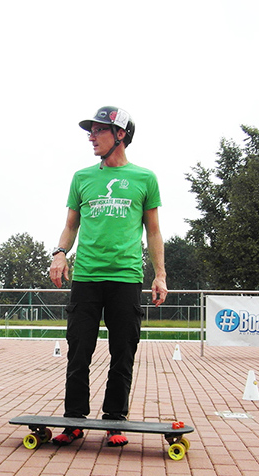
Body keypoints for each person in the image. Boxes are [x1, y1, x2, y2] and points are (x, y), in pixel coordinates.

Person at [48, 106, 168, 447]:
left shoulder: (145, 179)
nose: (91, 137)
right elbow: (71, 225)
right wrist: (60, 253)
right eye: (90, 131)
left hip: (126, 277)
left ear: (120, 134)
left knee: (123, 350)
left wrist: (159, 275)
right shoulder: (82, 178)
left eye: (98, 130)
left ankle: (115, 418)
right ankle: (74, 419)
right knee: (79, 349)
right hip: (86, 275)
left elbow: (154, 232)